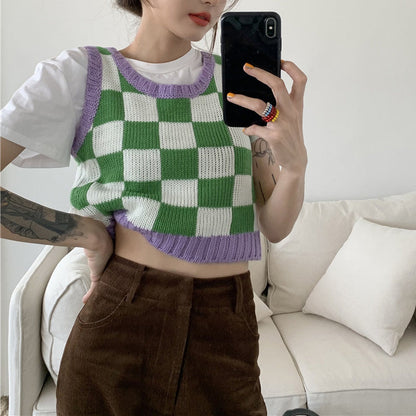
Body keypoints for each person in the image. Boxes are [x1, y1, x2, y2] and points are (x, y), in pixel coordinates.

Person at [0, 0, 308, 414]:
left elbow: (276, 226)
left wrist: (295, 166)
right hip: (123, 320)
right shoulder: (83, 74)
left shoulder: (238, 84)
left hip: (228, 329)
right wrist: (85, 233)